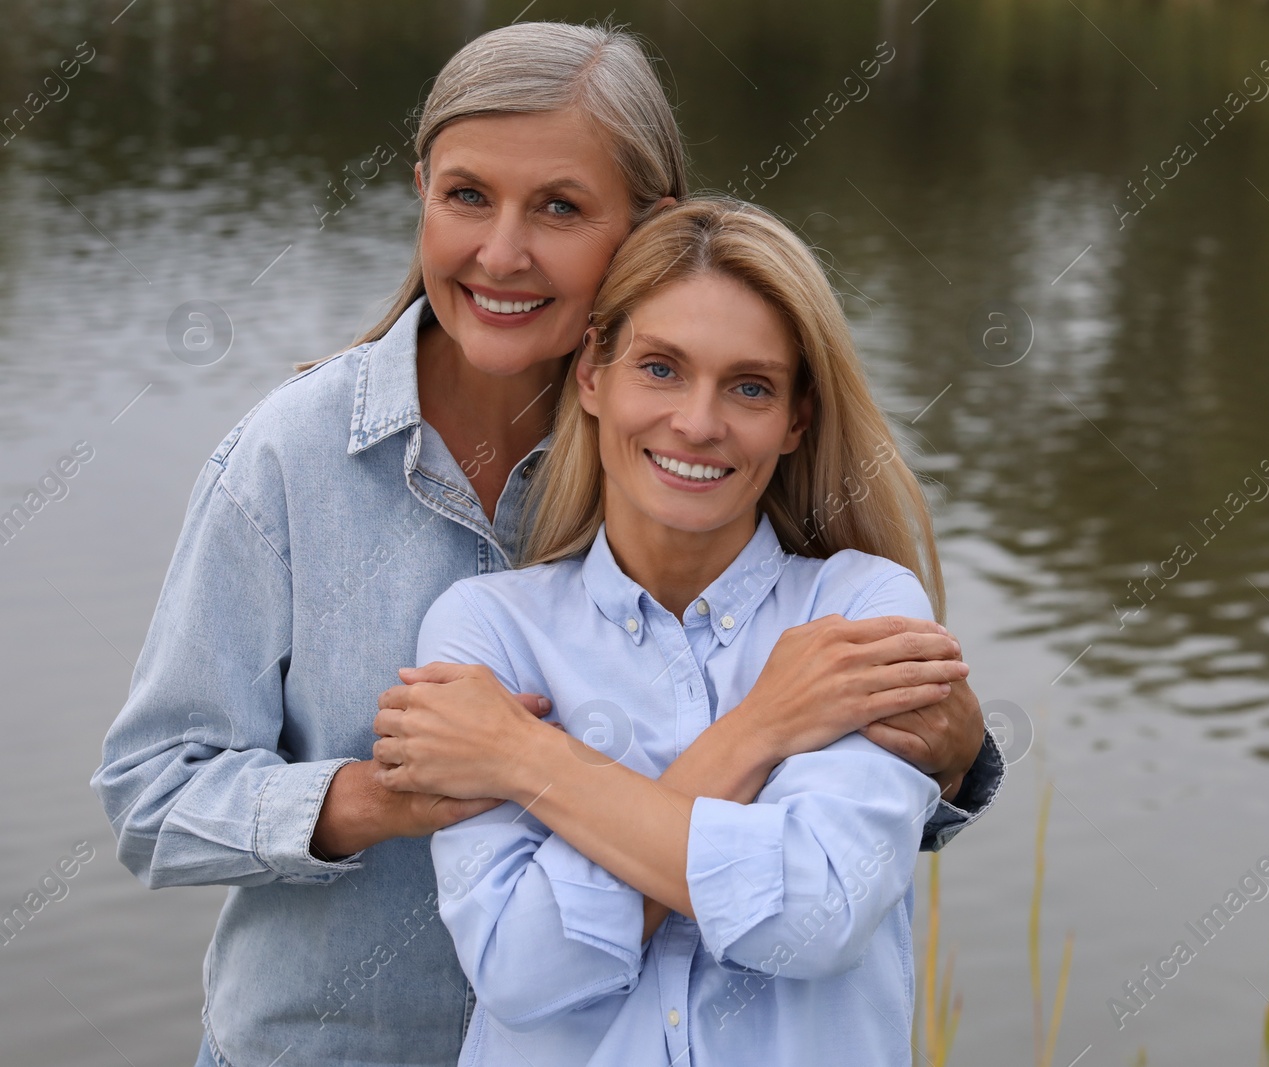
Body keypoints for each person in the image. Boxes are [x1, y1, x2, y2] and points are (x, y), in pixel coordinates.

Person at [90, 22, 1002, 1067]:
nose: (501, 251)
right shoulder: (288, 459)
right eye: (466, 195)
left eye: (559, 207)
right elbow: (150, 793)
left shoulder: (693, 451)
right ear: (421, 189)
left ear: (648, 225)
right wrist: (378, 798)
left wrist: (954, 760)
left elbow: (833, 825)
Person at [377, 196, 959, 1067]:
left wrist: (528, 760)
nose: (697, 422)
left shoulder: (861, 610)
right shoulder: (489, 630)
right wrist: (760, 732)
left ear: (797, 418)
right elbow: (520, 970)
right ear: (591, 376)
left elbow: (817, 917)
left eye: (750, 386)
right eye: (660, 368)